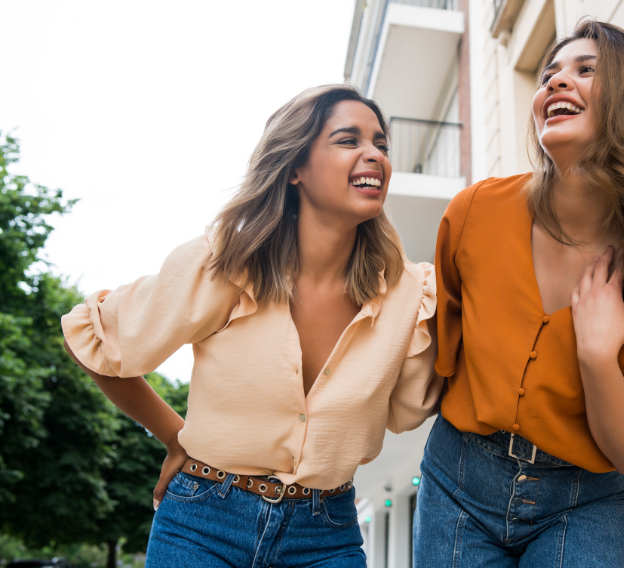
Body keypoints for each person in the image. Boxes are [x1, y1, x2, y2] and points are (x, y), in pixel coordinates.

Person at [61, 85, 442, 568]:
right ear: (295, 168)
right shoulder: (227, 264)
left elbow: (409, 409)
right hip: (201, 525)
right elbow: (92, 336)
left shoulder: (411, 293)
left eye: (381, 145)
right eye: (349, 140)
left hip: (325, 536)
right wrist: (172, 434)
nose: (374, 155)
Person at [413, 19, 624, 567]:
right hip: (456, 483)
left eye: (585, 71)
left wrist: (597, 355)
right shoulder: (474, 213)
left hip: (586, 500)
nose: (555, 84)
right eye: (548, 76)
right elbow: (437, 354)